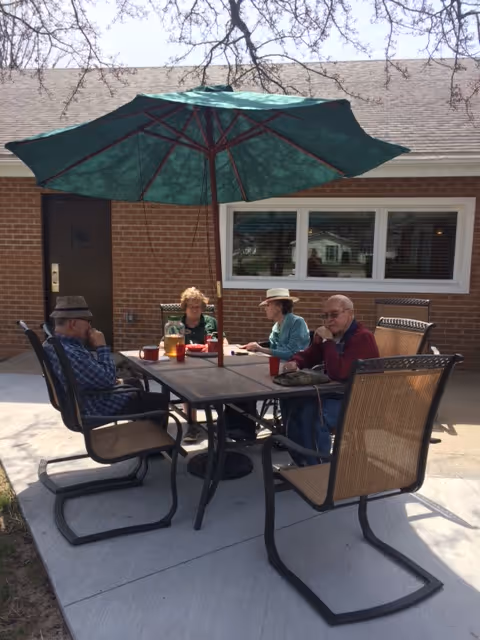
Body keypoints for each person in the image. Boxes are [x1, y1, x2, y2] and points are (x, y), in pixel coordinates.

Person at [281, 295, 379, 466]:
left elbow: (339, 373)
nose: (328, 321)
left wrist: (327, 341)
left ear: (350, 314)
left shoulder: (362, 337)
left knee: (311, 413)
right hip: (336, 394)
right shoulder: (334, 334)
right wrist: (295, 362)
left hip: (358, 401)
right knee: (290, 400)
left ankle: (318, 466)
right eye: (325, 316)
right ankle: (301, 461)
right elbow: (311, 355)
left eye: (334, 315)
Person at [44, 296, 169, 420]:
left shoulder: (59, 344)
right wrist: (102, 346)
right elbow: (108, 380)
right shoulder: (69, 353)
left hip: (87, 398)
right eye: (88, 321)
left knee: (133, 382)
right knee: (159, 402)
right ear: (73, 323)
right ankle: (156, 437)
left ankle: (139, 423)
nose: (89, 326)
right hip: (94, 407)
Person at [228, 289, 310, 441]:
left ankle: (244, 428)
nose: (265, 308)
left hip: (295, 371)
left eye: (268, 305)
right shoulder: (276, 326)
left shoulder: (297, 322)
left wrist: (260, 348)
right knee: (240, 380)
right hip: (277, 368)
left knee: (248, 384)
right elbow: (273, 348)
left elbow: (292, 353)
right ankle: (239, 427)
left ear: (278, 306)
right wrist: (255, 346)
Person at [179, 287, 228, 442]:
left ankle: (225, 424)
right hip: (184, 367)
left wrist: (215, 346)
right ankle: (192, 426)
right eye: (191, 306)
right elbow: (163, 344)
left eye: (198, 306)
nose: (195, 310)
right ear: (185, 307)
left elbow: (225, 342)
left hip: (210, 365)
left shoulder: (210, 322)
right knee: (188, 383)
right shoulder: (177, 324)